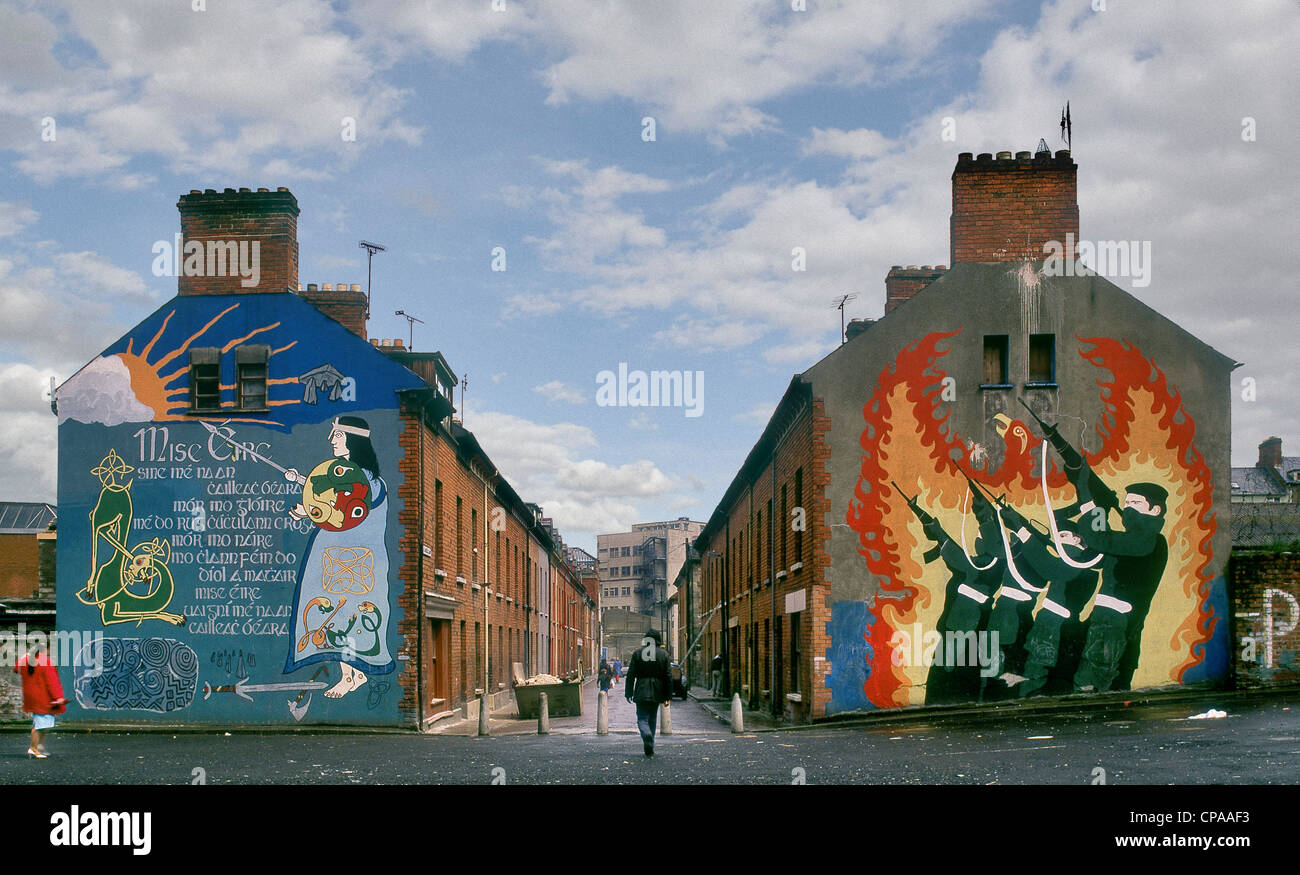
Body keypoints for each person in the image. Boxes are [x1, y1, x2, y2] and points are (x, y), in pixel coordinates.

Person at [284, 416, 394, 700]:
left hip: (353, 559)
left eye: (337, 435)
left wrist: (309, 511)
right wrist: (305, 500)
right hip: (333, 554)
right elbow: (329, 503)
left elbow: (347, 511)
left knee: (349, 610)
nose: (331, 440)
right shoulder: (348, 476)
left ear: (352, 439)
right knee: (329, 610)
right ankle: (350, 673)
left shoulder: (367, 480)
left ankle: (352, 675)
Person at [624, 629, 671, 757]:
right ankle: (650, 745)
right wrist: (668, 695)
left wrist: (628, 692)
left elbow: (631, 675)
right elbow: (668, 677)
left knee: (642, 718)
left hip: (641, 689)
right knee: (653, 718)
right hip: (657, 690)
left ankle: (646, 734)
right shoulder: (664, 654)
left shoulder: (638, 653)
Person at [15, 642, 66, 758]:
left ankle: (38, 746)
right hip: (43, 696)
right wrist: (58, 697)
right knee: (40, 725)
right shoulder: (45, 661)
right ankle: (33, 748)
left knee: (41, 723)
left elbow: (16, 669)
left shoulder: (26, 659)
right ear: (47, 649)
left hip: (31, 696)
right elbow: (52, 681)